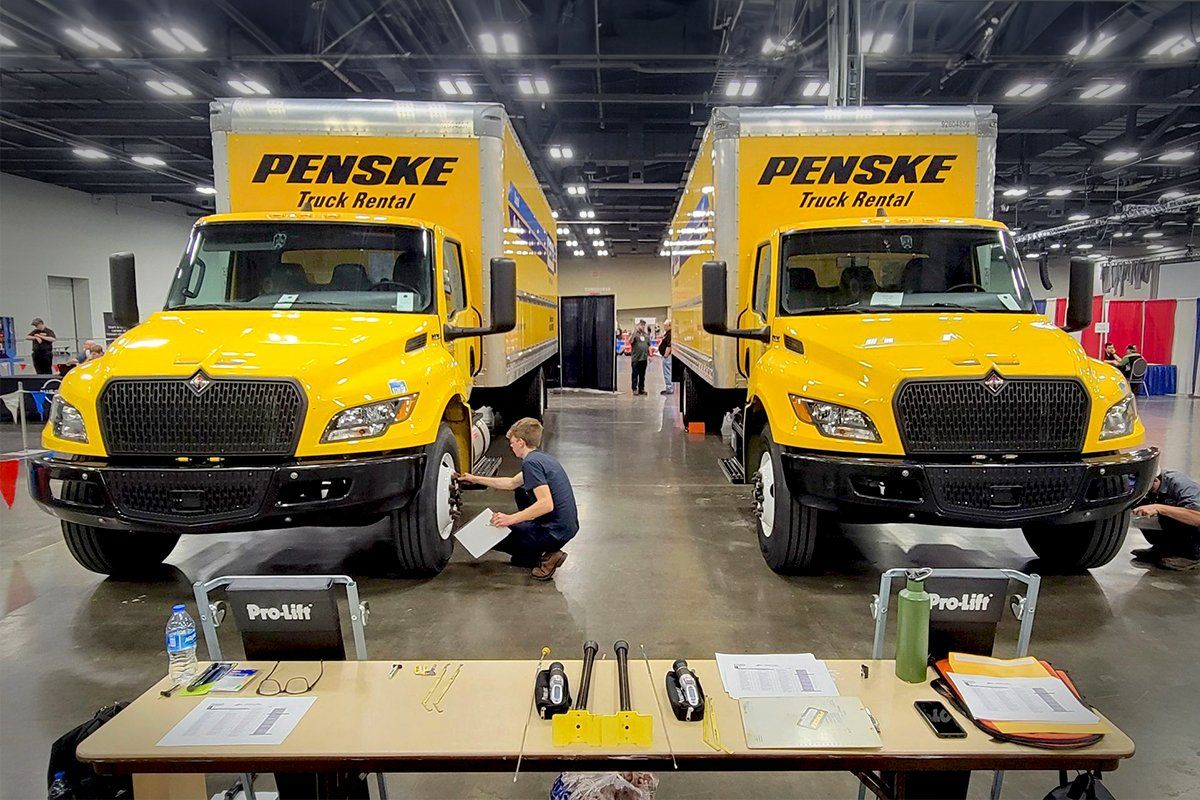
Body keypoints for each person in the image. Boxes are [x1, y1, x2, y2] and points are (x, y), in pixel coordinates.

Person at [457, 417, 579, 580]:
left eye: (512, 441)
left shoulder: (530, 463)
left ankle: (549, 556)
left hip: (553, 532)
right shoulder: (543, 458)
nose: (510, 445)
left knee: (489, 530)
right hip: (565, 527)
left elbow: (546, 504)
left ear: (521, 442)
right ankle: (533, 555)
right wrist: (475, 479)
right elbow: (511, 482)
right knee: (520, 490)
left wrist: (510, 519)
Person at [1132, 470, 1200, 571]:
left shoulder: (1180, 484)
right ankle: (1165, 549)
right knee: (1143, 505)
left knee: (1169, 510)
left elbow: (1197, 517)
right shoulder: (1147, 490)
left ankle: (1192, 555)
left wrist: (1159, 508)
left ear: (1154, 480)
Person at [629, 321, 650, 395]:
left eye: (644, 325)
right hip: (636, 358)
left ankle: (641, 389)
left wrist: (650, 355)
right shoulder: (635, 334)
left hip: (644, 358)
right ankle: (634, 389)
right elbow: (630, 341)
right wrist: (634, 331)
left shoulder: (646, 335)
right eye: (641, 325)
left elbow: (648, 345)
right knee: (635, 374)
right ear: (637, 325)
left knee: (642, 375)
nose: (643, 327)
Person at [658, 320, 674, 395]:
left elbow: (669, 345)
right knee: (669, 371)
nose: (664, 327)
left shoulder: (670, 334)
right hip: (668, 356)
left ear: (670, 326)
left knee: (667, 372)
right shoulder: (668, 334)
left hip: (667, 356)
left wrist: (665, 355)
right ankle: (670, 387)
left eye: (665, 326)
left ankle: (669, 388)